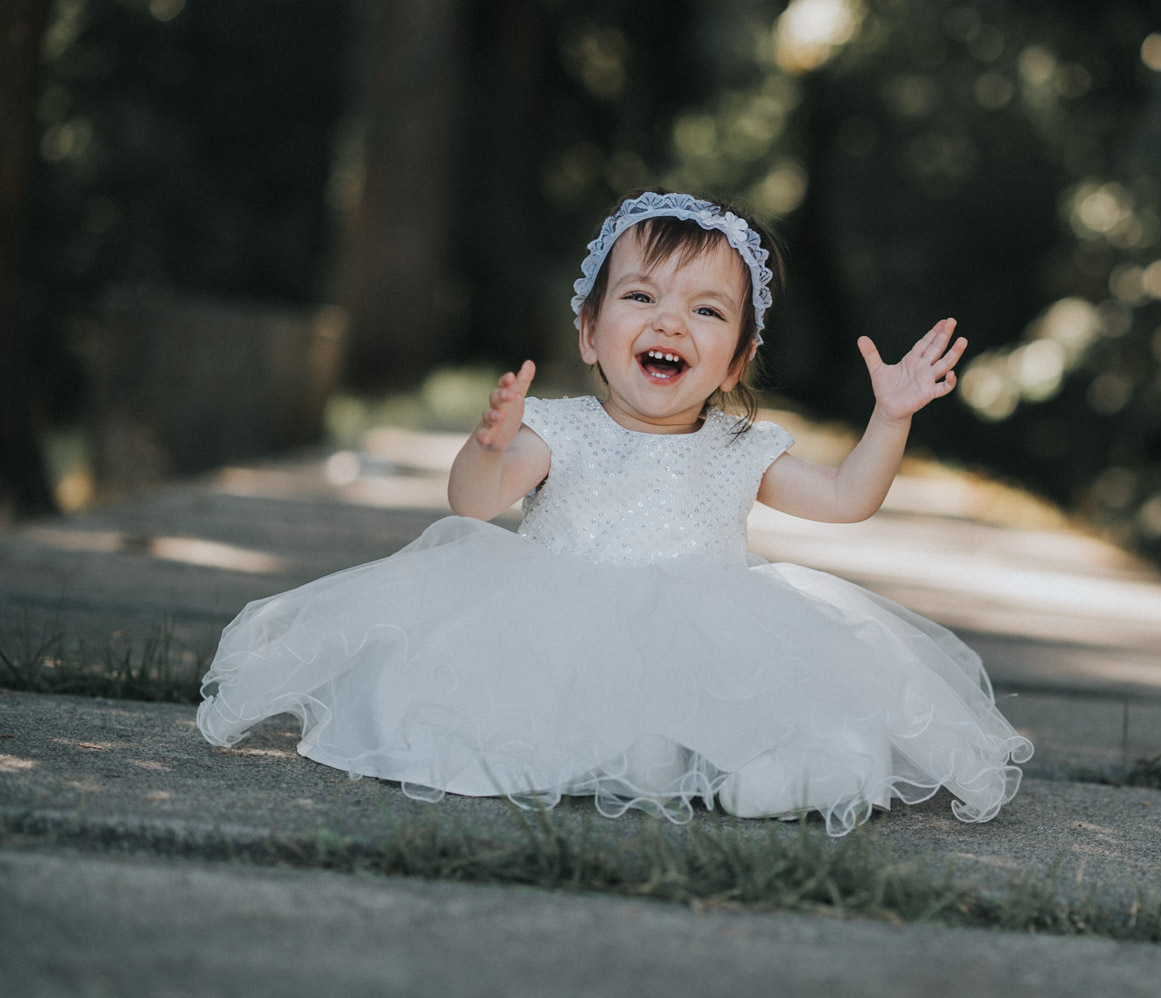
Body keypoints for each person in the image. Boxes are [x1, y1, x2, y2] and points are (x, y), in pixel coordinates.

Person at [198, 191, 1033, 836]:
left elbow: (849, 500)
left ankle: (776, 772)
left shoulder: (743, 449)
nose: (672, 320)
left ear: (737, 358)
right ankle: (660, 761)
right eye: (642, 297)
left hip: (708, 636)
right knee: (535, 723)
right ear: (592, 331)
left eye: (708, 310)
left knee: (789, 718)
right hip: (557, 629)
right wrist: (487, 448)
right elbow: (474, 503)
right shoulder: (561, 430)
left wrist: (890, 418)